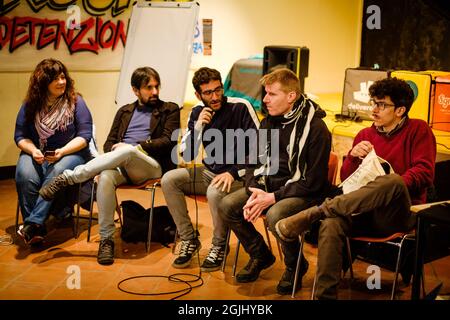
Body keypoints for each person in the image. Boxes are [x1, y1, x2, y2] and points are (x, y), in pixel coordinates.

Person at [275, 77, 437, 299]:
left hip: (397, 213)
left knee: (393, 181)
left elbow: (424, 173)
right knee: (332, 222)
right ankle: (325, 296)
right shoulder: (365, 135)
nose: (374, 109)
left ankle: (317, 212)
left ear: (400, 110)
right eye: (373, 103)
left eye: (382, 104)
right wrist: (352, 157)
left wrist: (384, 183)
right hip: (361, 211)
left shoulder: (418, 130)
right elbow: (347, 179)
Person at [39, 67, 180, 265]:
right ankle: (106, 240)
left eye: (157, 87)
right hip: (123, 166)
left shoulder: (169, 109)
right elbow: (108, 143)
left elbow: (168, 141)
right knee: (105, 177)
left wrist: (134, 147)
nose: (155, 92)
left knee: (128, 152)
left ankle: (68, 178)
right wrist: (117, 153)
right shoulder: (124, 111)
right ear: (135, 90)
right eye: (149, 87)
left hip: (152, 166)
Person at [220, 68, 331, 295]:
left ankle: (295, 265)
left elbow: (314, 181)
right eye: (266, 93)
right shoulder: (268, 122)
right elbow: (252, 161)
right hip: (268, 186)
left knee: (275, 215)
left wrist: (272, 197)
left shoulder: (316, 128)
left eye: (272, 94)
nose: (265, 99)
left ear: (291, 96)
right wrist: (255, 188)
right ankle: (260, 254)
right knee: (227, 206)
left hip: (303, 192)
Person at [161, 67, 260, 272]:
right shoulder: (197, 113)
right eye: (208, 93)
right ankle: (189, 239)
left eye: (218, 90)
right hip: (210, 172)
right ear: (198, 94)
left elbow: (260, 149)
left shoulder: (241, 107)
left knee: (215, 192)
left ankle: (219, 245)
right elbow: (187, 156)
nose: (215, 97)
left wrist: (233, 172)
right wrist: (198, 128)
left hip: (239, 176)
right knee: (170, 179)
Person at [14, 58, 93, 245]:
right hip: (37, 152)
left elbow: (85, 135)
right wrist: (33, 150)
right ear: (43, 83)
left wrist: (62, 151)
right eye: (55, 79)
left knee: (57, 171)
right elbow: (19, 136)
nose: (61, 82)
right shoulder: (31, 105)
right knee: (24, 174)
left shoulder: (76, 101)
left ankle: (33, 223)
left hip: (72, 153)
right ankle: (36, 232)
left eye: (63, 77)